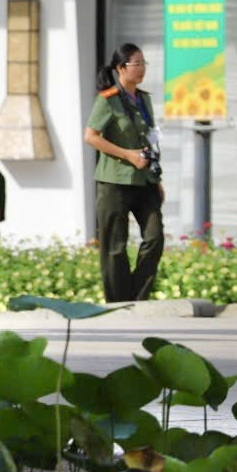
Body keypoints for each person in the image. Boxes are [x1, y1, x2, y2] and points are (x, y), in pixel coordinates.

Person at [83, 42, 164, 303]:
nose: (141, 69)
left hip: (144, 180)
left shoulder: (144, 99)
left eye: (143, 64)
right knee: (114, 247)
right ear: (120, 68)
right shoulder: (108, 100)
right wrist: (127, 154)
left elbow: (149, 139)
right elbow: (91, 137)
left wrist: (157, 178)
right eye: (136, 64)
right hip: (113, 181)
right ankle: (120, 302)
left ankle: (136, 296)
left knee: (155, 237)